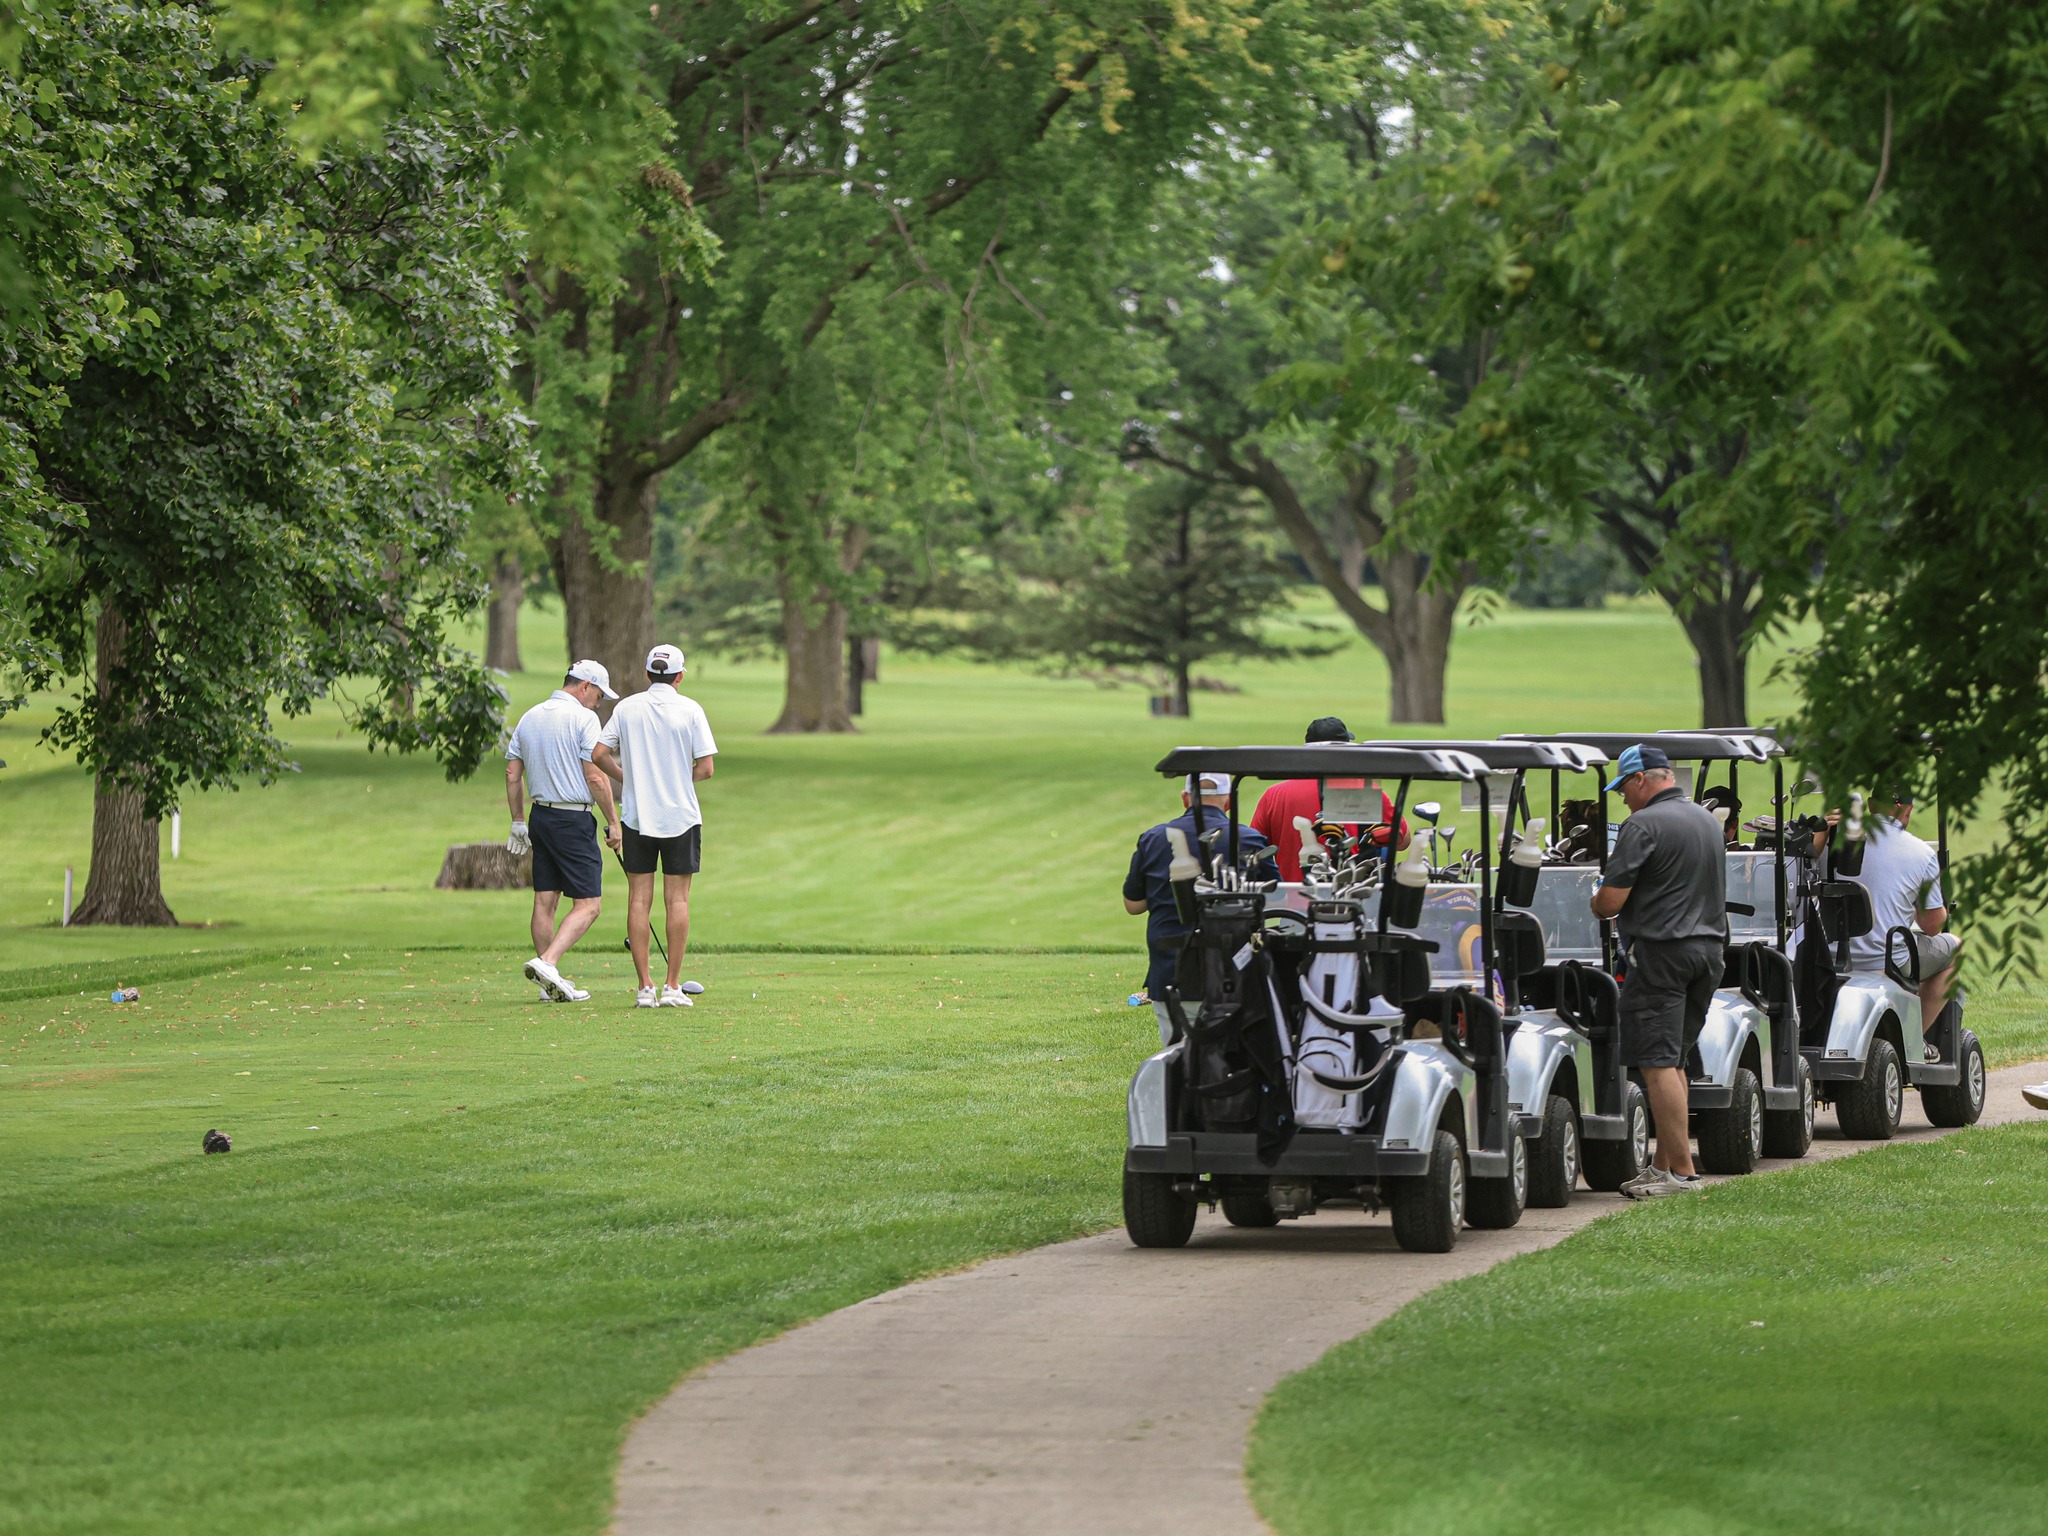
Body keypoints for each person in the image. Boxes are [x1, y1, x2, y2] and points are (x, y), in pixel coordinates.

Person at [1588, 743, 1728, 1198]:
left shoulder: (1641, 824)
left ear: (1641, 779)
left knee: (1656, 1061)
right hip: (1708, 951)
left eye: (1624, 788)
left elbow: (1609, 903)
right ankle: (1662, 1166)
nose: (1623, 799)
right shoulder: (1707, 820)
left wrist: (1593, 898)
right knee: (1676, 1059)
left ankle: (1683, 1175)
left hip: (1661, 953)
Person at [597, 644, 717, 1008]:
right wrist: (678, 780)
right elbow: (707, 767)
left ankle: (645, 987)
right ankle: (673, 986)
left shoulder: (626, 708)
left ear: (648, 674)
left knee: (639, 899)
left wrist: (628, 779)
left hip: (636, 817)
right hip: (680, 816)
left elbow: (598, 754)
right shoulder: (690, 709)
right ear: (679, 676)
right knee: (677, 899)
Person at [506, 660, 623, 1003]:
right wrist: (614, 823)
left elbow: (513, 774)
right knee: (589, 904)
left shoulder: (531, 715)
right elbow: (595, 777)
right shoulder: (584, 718)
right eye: (599, 695)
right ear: (585, 686)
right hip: (573, 820)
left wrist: (517, 822)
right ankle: (548, 963)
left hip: (540, 817)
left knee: (546, 899)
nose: (599, 703)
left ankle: (548, 985)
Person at [1123, 771, 1269, 1045]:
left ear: (1185, 798)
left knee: (1176, 1057)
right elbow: (1276, 898)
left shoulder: (1154, 838)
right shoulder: (1249, 839)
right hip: (1234, 968)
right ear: (1227, 802)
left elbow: (1133, 905)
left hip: (1170, 969)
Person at [1838, 790, 1963, 1053]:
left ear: (1871, 805)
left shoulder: (1836, 847)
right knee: (1955, 947)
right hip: (1888, 961)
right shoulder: (1921, 853)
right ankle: (1914, 1040)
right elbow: (1931, 925)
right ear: (1905, 808)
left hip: (1833, 958)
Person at [1249, 716, 1409, 882]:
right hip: (1351, 899)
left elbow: (1254, 849)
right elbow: (1402, 840)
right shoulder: (1364, 790)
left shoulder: (1274, 794)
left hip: (1291, 900)